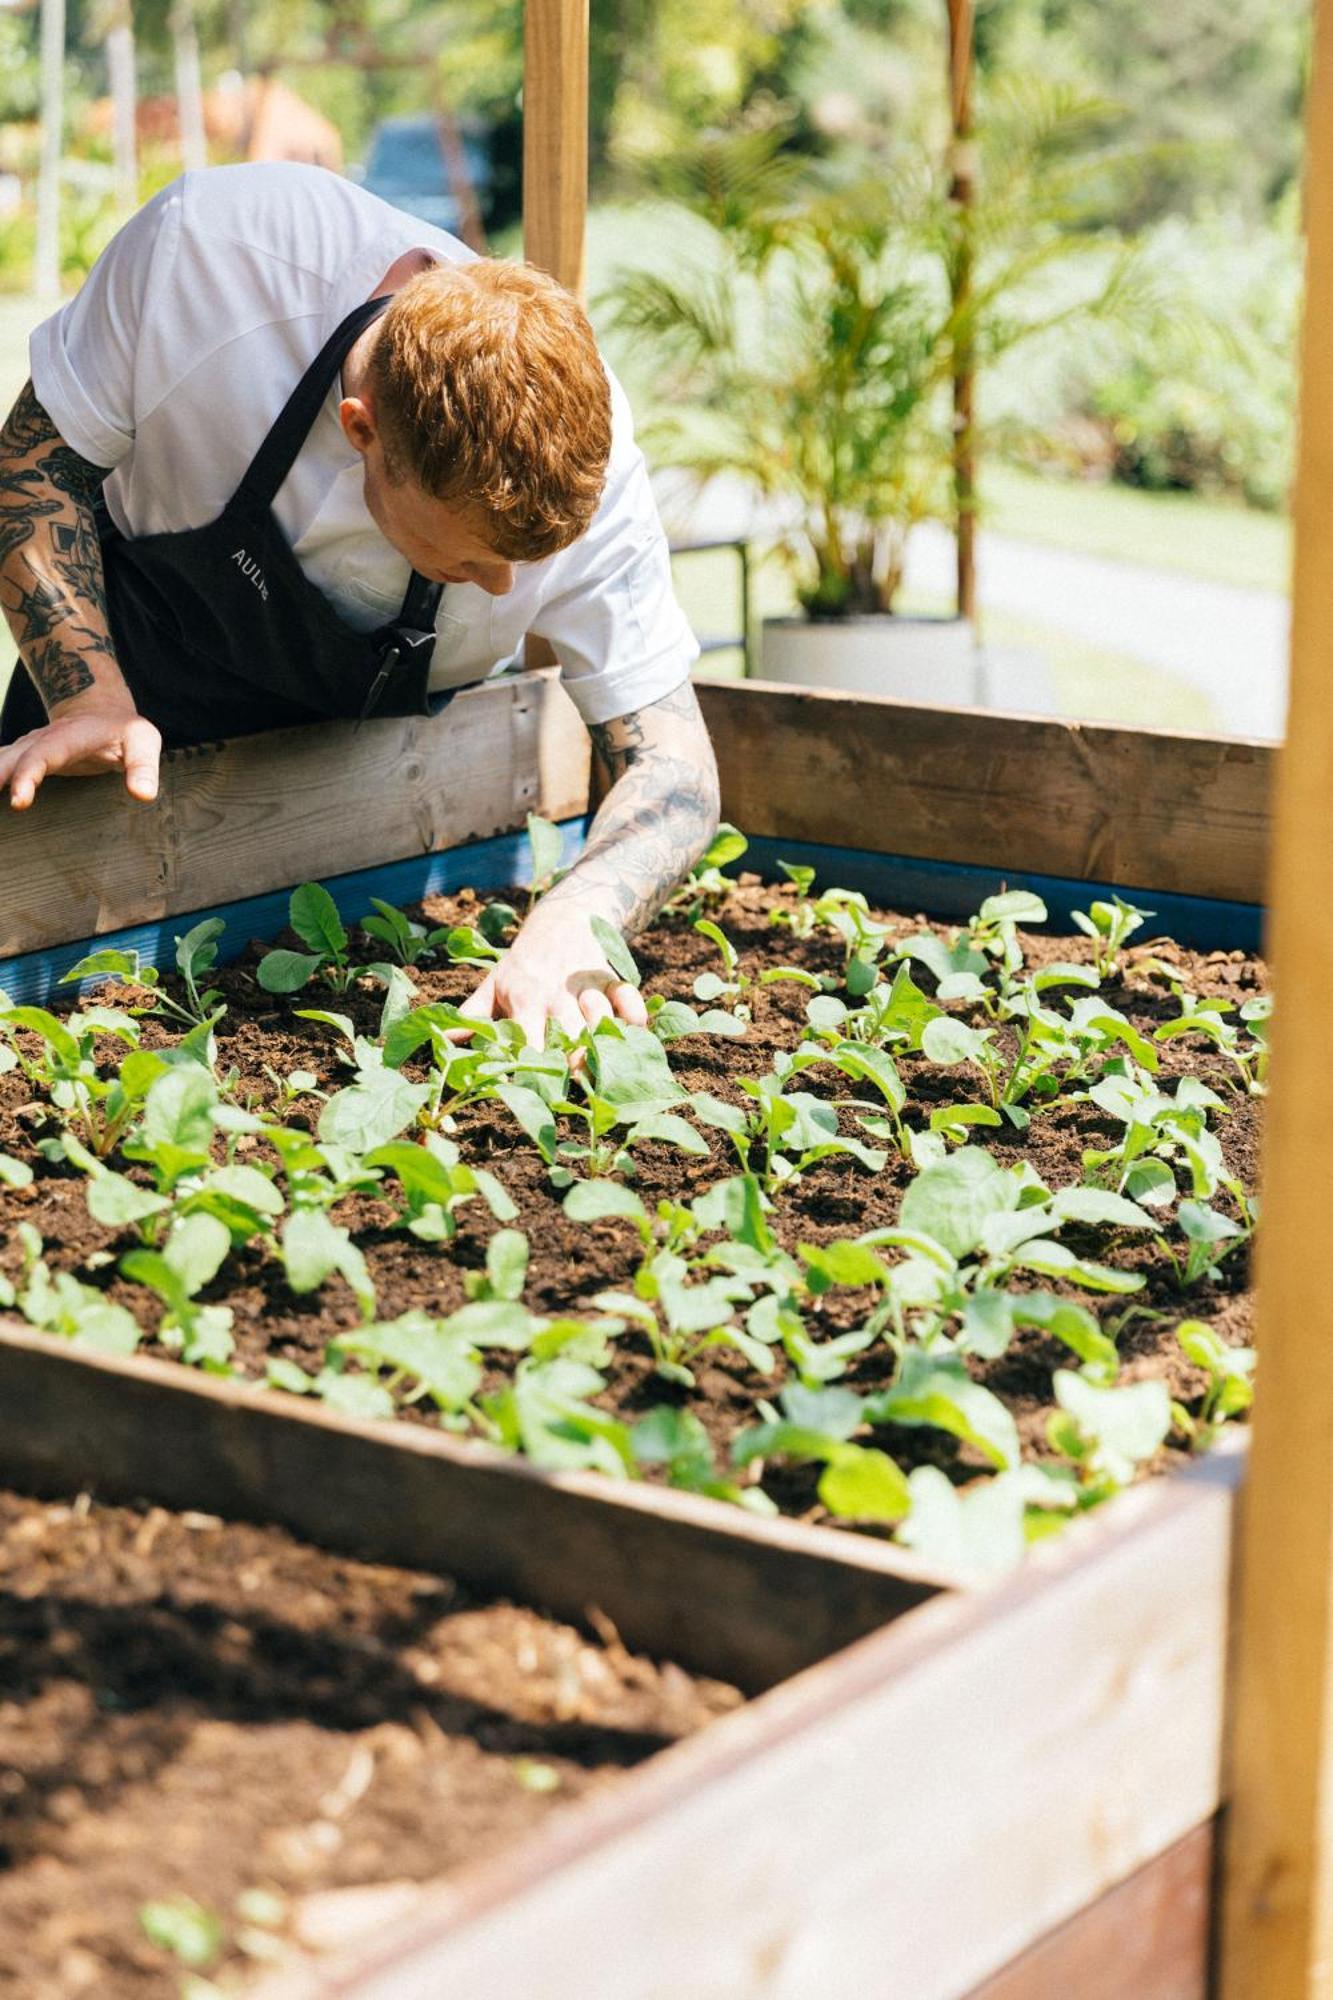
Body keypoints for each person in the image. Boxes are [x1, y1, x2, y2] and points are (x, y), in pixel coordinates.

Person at [0, 161, 720, 1044]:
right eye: (471, 557)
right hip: (124, 711)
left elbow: (677, 772)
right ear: (361, 434)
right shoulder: (210, 258)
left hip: (372, 808)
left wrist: (579, 918)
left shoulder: (593, 459)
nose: (505, 591)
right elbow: (37, 463)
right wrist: (85, 694)